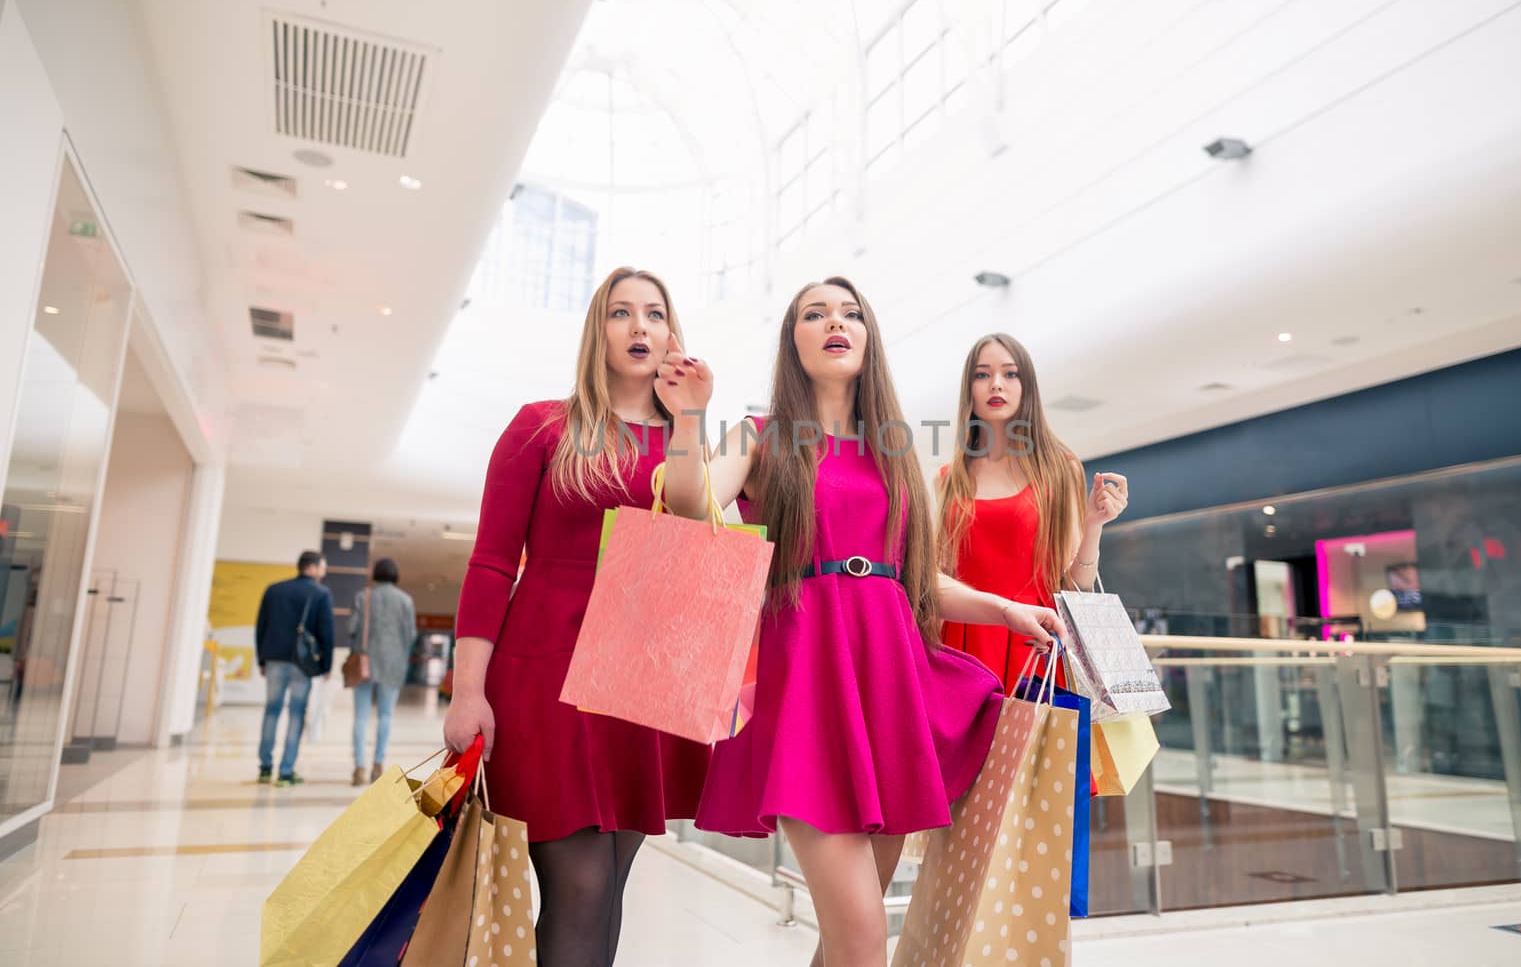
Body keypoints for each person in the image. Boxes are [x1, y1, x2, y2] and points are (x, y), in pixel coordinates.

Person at [658, 277, 1070, 967]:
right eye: (813, 314)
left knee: (850, 939)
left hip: (889, 688)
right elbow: (693, 506)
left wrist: (1003, 608)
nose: (834, 322)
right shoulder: (761, 438)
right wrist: (689, 420)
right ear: (793, 340)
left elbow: (915, 581)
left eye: (849, 313)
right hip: (807, 692)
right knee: (862, 941)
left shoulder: (895, 452)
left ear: (868, 337)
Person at [442, 266, 712, 966]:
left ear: (672, 332)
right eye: (621, 313)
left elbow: (695, 523)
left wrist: (688, 416)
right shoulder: (541, 427)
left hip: (642, 684)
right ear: (598, 332)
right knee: (581, 884)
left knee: (606, 889)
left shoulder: (684, 443)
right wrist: (467, 689)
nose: (640, 326)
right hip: (547, 675)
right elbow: (493, 562)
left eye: (655, 313)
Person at [936, 333, 1130, 687]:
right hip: (964, 641)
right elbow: (942, 574)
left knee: (1034, 741)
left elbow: (1075, 583)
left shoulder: (1058, 468)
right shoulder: (949, 478)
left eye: (1010, 374)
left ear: (1027, 386)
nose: (996, 384)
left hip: (1035, 641)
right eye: (982, 375)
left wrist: (1094, 525)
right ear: (970, 390)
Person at [254, 550, 334, 787]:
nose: (324, 572)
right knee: (296, 714)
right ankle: (286, 771)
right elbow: (326, 632)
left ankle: (265, 768)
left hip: (274, 659)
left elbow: (261, 626)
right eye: (322, 567)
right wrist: (326, 665)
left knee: (271, 711)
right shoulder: (321, 593)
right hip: (303, 663)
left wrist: (262, 659)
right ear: (311, 568)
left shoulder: (274, 589)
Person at [348, 556, 418, 786]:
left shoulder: (363, 596)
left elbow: (352, 628)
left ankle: (359, 767)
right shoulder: (405, 601)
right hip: (393, 664)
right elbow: (411, 635)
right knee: (386, 716)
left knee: (360, 716)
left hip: (365, 662)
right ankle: (378, 764)